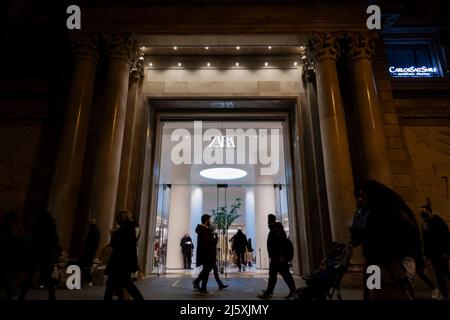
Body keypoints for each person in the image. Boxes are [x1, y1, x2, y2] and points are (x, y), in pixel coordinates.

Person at [350, 180, 421, 300]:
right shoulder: (367, 213)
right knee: (374, 292)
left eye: (362, 195)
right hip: (376, 263)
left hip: (387, 264)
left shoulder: (389, 211)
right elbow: (357, 237)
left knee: (380, 293)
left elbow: (410, 234)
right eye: (358, 196)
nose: (360, 200)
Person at [18, 210, 61, 300]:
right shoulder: (52, 227)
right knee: (48, 277)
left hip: (37, 253)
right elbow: (55, 241)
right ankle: (52, 296)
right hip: (47, 255)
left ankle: (22, 295)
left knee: (29, 276)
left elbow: (35, 240)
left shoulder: (39, 226)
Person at [104, 210, 144, 300]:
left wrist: (113, 235)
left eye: (120, 217)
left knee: (121, 283)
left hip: (120, 262)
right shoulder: (130, 228)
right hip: (124, 262)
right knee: (121, 283)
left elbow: (116, 243)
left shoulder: (126, 228)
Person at [258, 214, 296, 299]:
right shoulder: (277, 229)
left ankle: (270, 292)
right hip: (277, 257)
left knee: (282, 275)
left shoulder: (276, 230)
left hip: (278, 258)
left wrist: (281, 256)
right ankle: (270, 291)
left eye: (268, 220)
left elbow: (280, 244)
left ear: (271, 220)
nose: (267, 223)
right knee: (276, 275)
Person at [420, 205, 450, 300]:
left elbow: (447, 238)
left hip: (441, 253)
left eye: (423, 211)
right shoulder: (425, 224)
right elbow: (425, 240)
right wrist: (426, 254)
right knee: (444, 272)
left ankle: (444, 295)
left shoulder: (439, 222)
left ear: (429, 211)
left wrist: (447, 252)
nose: (422, 214)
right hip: (433, 254)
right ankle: (444, 293)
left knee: (440, 274)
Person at [0, 211, 24, 300]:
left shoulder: (7, 231)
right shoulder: (17, 231)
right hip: (11, 262)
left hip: (9, 262)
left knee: (8, 280)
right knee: (9, 282)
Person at [192, 214, 216, 294]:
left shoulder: (203, 229)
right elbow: (208, 243)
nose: (210, 221)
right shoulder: (204, 230)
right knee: (206, 270)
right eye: (209, 219)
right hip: (207, 254)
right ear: (206, 220)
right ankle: (203, 288)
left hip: (205, 253)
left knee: (206, 270)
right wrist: (215, 238)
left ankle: (199, 284)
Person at [78, 218, 100, 286]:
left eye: (89, 222)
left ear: (90, 223)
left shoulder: (93, 230)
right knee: (87, 265)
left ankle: (87, 280)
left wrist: (87, 249)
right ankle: (87, 280)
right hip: (91, 250)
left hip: (89, 250)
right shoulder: (96, 229)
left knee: (86, 265)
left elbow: (91, 241)